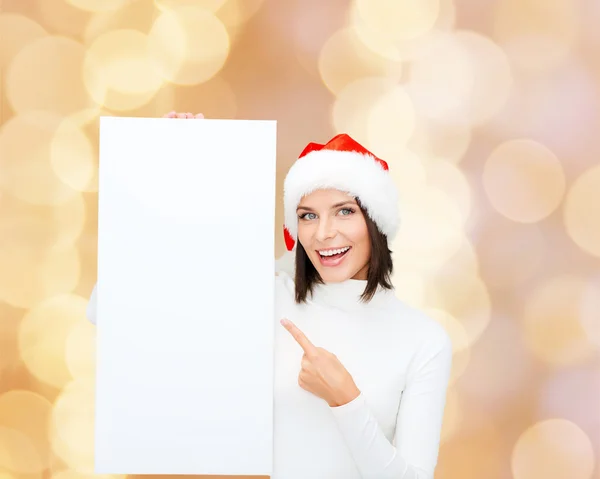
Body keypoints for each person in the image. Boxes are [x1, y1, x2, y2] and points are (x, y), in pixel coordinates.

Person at [86, 111, 453, 479]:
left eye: (344, 211)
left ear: (376, 222)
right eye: (308, 216)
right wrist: (178, 161)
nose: (324, 233)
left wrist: (346, 399)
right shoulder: (267, 300)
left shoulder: (423, 340)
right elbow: (115, 308)